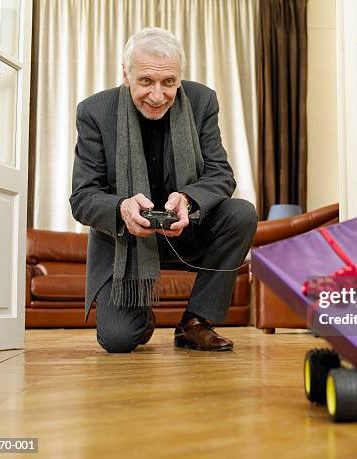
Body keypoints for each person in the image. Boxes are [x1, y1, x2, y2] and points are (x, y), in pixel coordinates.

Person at [69, 27, 257, 353]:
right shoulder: (94, 112)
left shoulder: (201, 102)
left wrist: (189, 199)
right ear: (126, 75)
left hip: (186, 232)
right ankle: (139, 315)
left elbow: (220, 174)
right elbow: (83, 197)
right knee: (118, 340)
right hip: (126, 241)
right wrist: (121, 209)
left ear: (179, 78)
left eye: (168, 82)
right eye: (146, 82)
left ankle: (194, 323)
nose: (157, 96)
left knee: (241, 213)